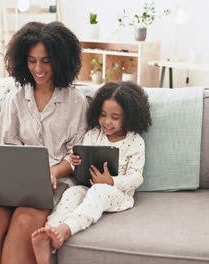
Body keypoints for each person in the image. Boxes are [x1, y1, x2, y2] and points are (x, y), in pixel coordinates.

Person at [0, 21, 88, 264]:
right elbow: (4, 146)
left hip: (54, 182)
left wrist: (53, 171)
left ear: (60, 60)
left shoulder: (76, 102)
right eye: (32, 60)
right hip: (13, 181)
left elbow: (76, 155)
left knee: (25, 220)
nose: (39, 68)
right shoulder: (15, 97)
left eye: (46, 60)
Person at [31, 81, 152, 264]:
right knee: (72, 193)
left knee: (98, 191)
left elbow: (136, 177)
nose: (107, 122)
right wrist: (73, 162)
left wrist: (111, 181)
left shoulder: (135, 142)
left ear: (129, 117)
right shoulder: (93, 135)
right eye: (103, 115)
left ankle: (65, 230)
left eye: (115, 117)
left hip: (118, 194)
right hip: (87, 187)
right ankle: (49, 233)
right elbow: (78, 165)